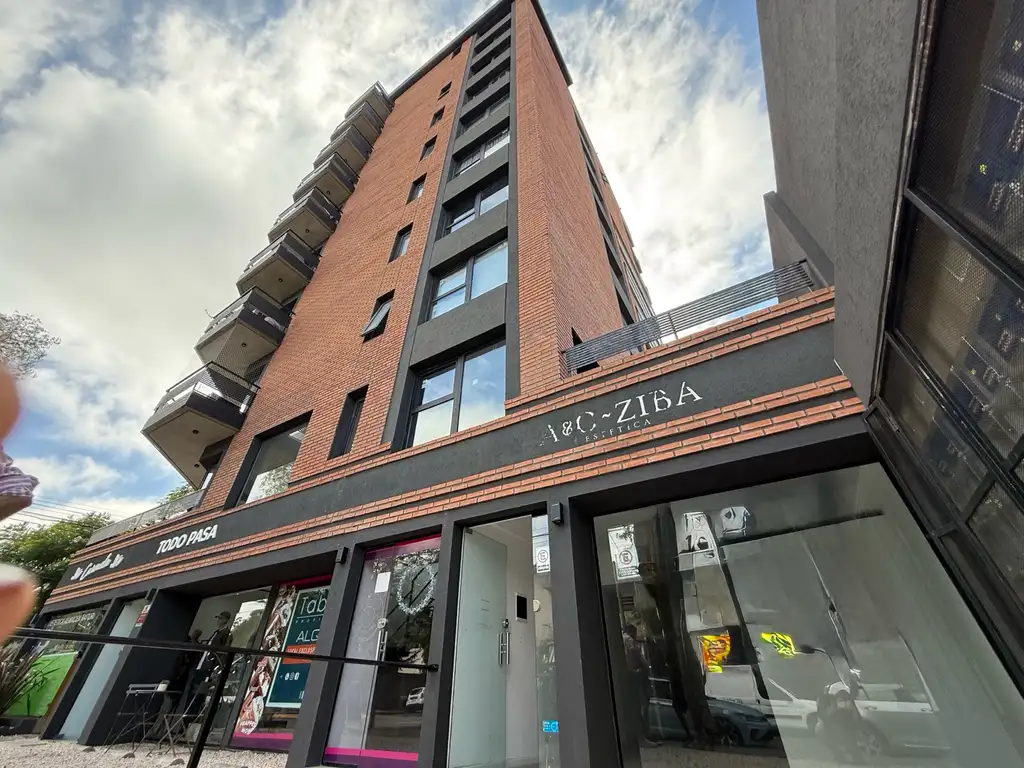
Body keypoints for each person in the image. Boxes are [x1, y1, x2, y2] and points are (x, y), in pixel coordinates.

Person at [622, 624, 659, 748]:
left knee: (639, 707)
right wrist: (646, 667)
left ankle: (643, 736)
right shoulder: (628, 639)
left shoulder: (624, 639)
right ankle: (643, 737)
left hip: (632, 676)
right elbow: (637, 656)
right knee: (642, 706)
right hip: (636, 676)